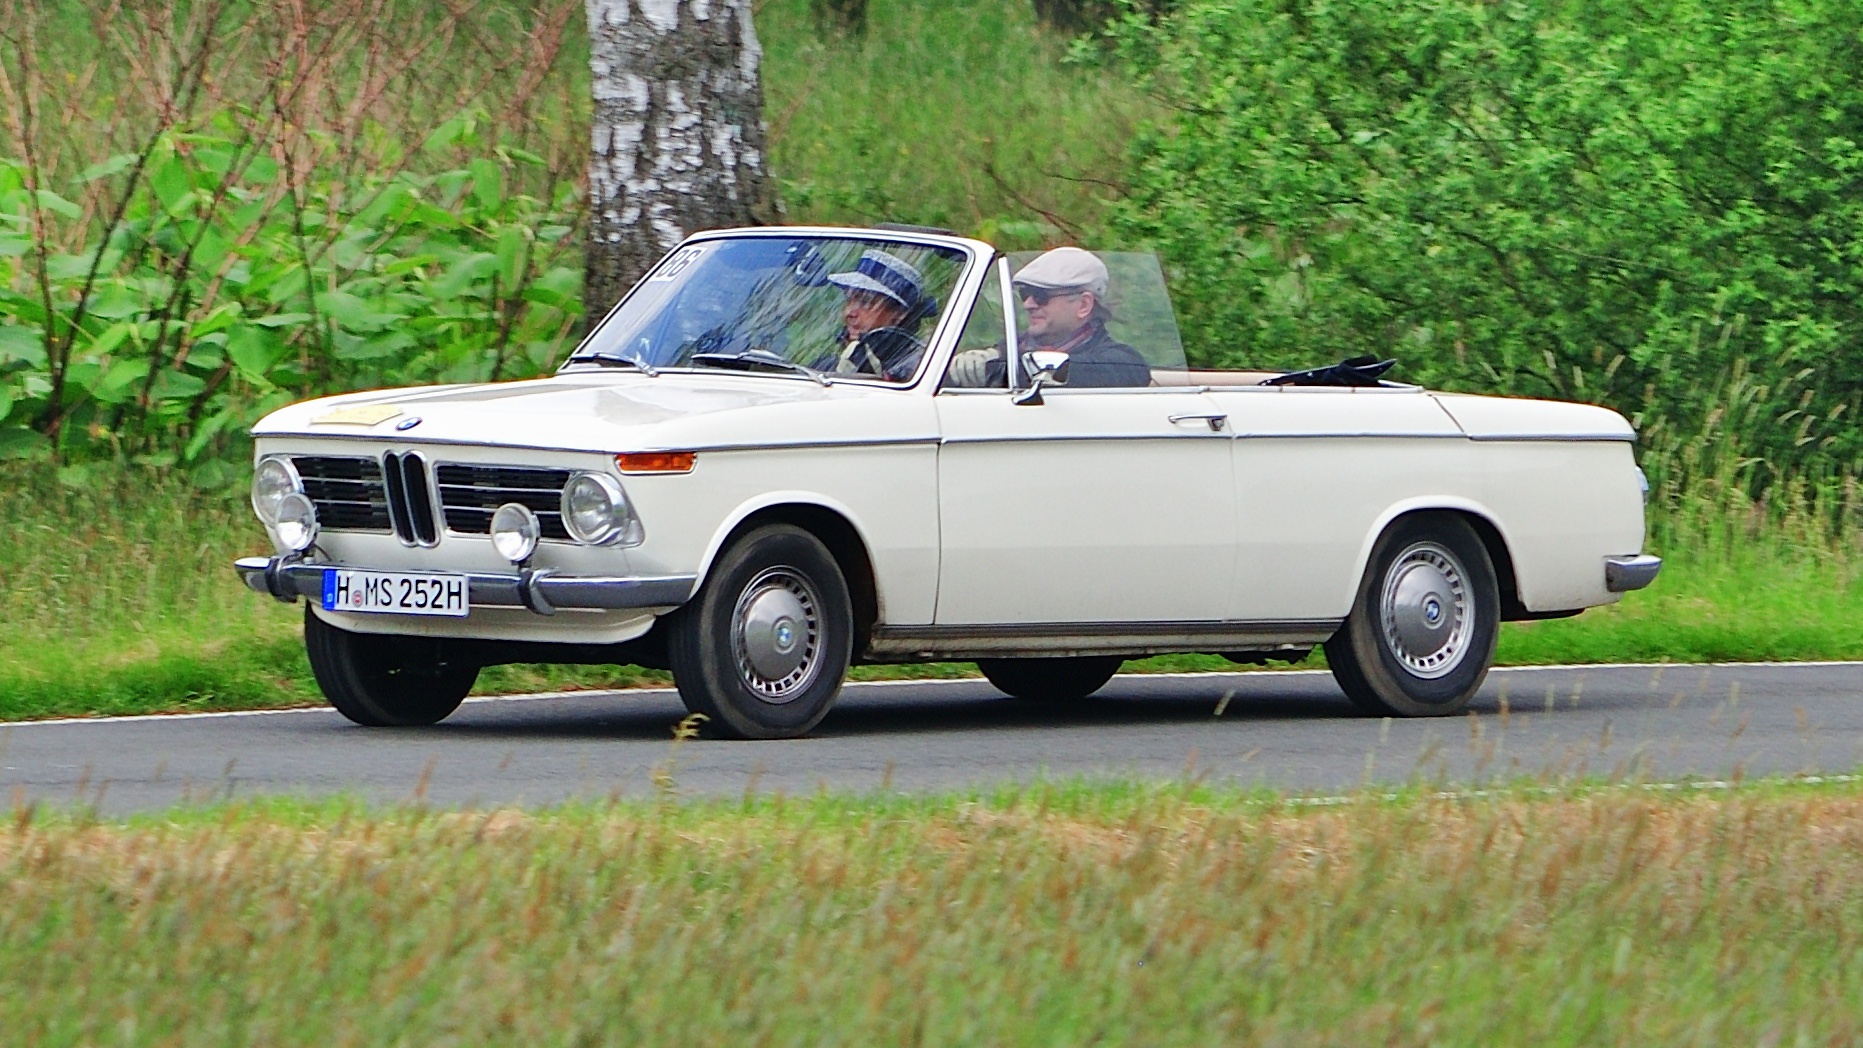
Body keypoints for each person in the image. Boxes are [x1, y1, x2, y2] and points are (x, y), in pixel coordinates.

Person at [945, 246, 1150, 388]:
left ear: (1084, 305)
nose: (1028, 304)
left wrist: (1001, 369)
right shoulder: (1011, 348)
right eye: (1025, 294)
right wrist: (960, 367)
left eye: (1041, 296)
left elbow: (1131, 372)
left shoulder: (1119, 363)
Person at [819, 249, 937, 381]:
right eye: (849, 300)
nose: (849, 313)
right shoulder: (826, 366)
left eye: (865, 302)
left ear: (899, 314)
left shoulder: (918, 370)